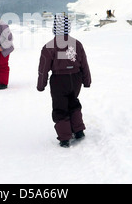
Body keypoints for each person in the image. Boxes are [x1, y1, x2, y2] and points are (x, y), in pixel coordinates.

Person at [36, 14, 91, 147]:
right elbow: (84, 64)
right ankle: (78, 131)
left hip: (59, 80)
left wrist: (41, 84)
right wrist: (87, 80)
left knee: (60, 107)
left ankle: (65, 137)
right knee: (73, 103)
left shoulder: (49, 47)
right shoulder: (77, 44)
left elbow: (43, 68)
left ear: (55, 28)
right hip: (76, 78)